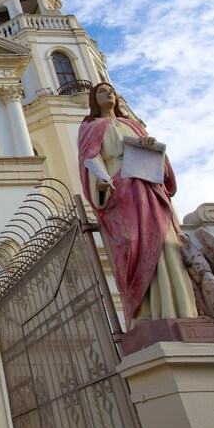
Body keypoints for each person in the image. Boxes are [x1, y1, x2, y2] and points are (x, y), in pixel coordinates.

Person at [78, 83, 195, 326]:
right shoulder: (90, 128)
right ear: (93, 99)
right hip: (121, 192)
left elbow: (163, 167)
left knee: (165, 245)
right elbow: (91, 160)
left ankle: (181, 309)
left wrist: (151, 149)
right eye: (101, 91)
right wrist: (101, 183)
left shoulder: (133, 125)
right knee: (132, 245)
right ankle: (145, 311)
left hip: (149, 188)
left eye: (110, 90)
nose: (108, 93)